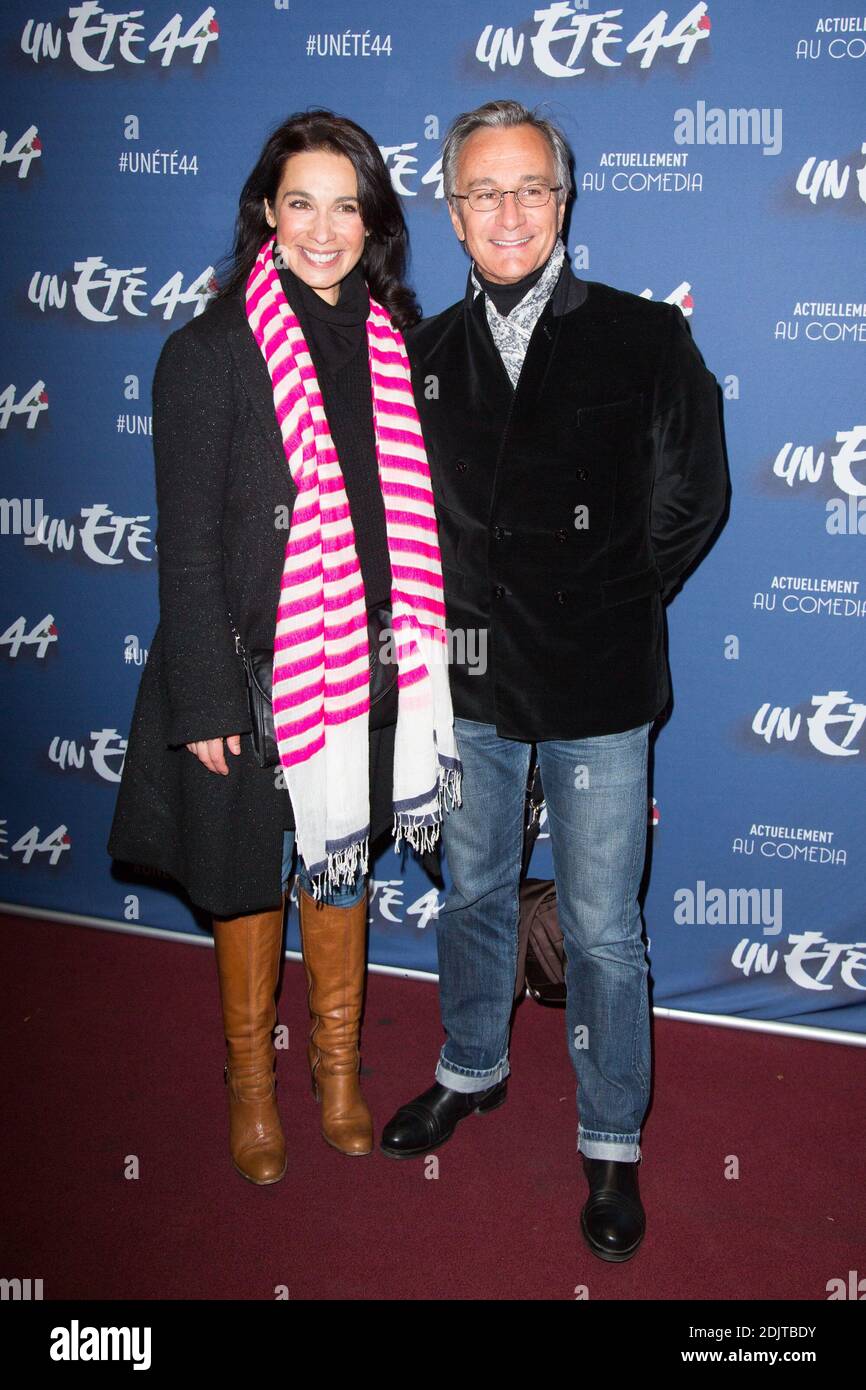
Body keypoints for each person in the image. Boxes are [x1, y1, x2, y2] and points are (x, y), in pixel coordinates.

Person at [380, 100, 729, 1263]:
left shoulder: (642, 337)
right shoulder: (420, 357)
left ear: (564, 199)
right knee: (471, 894)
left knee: (599, 927)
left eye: (530, 186)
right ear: (451, 212)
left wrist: (601, 602)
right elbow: (406, 528)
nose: (509, 211)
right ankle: (469, 1067)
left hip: (595, 687)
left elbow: (692, 501)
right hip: (465, 689)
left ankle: (611, 1136)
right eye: (483, 192)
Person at [108, 110, 460, 1185]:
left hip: (370, 656)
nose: (322, 228)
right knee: (247, 881)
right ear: (265, 211)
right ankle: (252, 1087)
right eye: (299, 202)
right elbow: (189, 541)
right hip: (249, 666)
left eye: (345, 206)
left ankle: (339, 1070)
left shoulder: (400, 340)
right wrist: (208, 695)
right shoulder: (207, 349)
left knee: (337, 861)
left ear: (372, 223)